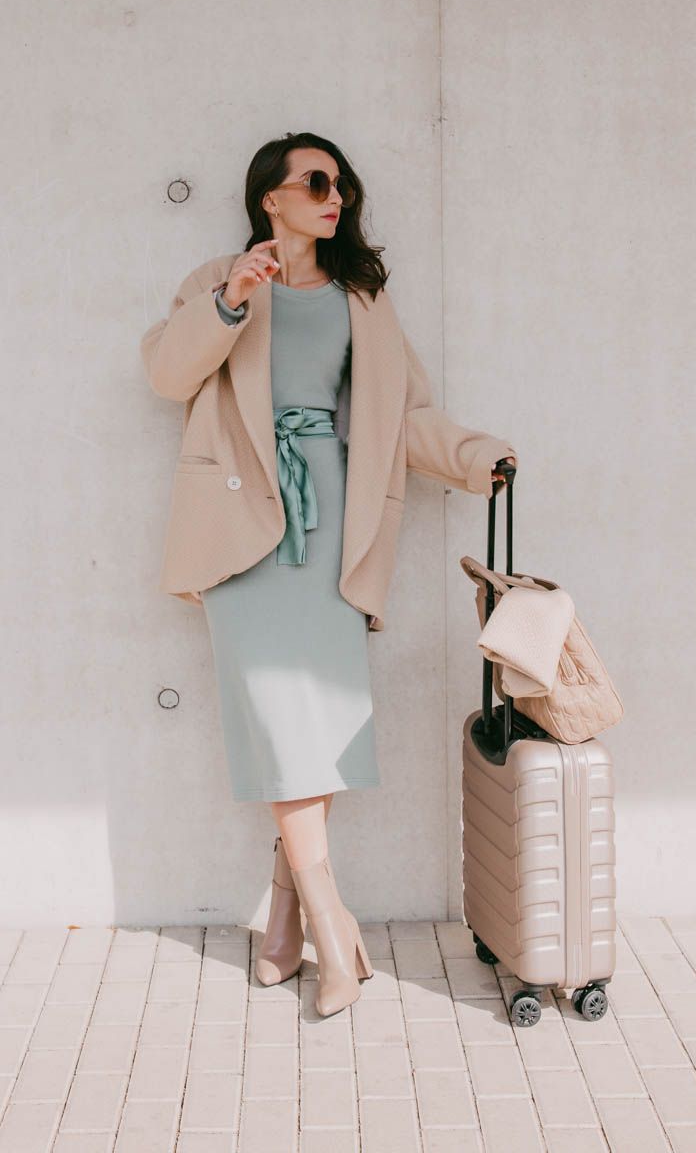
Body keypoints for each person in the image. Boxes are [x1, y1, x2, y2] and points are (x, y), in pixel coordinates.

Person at [140, 131, 517, 1017]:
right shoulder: (217, 280)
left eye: (339, 183)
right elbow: (165, 373)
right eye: (314, 181)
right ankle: (331, 923)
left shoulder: (362, 298)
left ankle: (285, 918)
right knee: (280, 725)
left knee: (313, 730)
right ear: (269, 197)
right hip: (240, 532)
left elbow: (405, 416)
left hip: (333, 536)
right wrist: (231, 301)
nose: (332, 195)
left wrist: (477, 457)